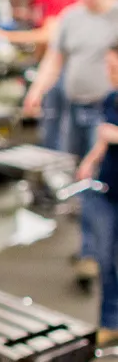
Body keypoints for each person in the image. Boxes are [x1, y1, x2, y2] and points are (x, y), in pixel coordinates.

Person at [24, 0, 118, 290]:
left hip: (106, 111)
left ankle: (92, 254)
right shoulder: (72, 18)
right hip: (75, 108)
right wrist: (38, 89)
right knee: (78, 176)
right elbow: (55, 59)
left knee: (94, 180)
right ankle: (92, 246)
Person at [0, 0, 80, 150]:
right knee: (48, 123)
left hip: (75, 69)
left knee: (64, 128)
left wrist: (3, 35)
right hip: (56, 66)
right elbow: (43, 46)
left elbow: (49, 35)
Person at [76, 42, 118, 346]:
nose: (111, 73)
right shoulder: (111, 98)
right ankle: (110, 321)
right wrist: (90, 160)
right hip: (107, 188)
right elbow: (104, 136)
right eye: (109, 67)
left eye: (115, 69)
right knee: (106, 258)